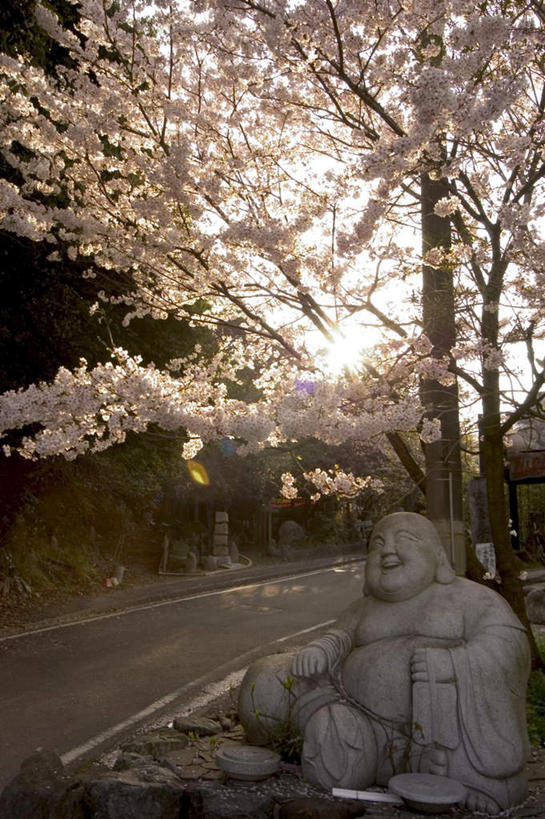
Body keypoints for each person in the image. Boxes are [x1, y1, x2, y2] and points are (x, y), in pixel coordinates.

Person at [238, 512, 530, 814]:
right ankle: (362, 753)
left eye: (404, 540)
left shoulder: (469, 599)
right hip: (359, 713)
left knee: (451, 712)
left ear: (440, 559)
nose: (388, 550)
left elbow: (509, 645)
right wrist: (320, 650)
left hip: (438, 723)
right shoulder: (363, 608)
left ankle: (465, 776)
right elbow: (338, 636)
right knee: (270, 684)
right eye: (378, 544)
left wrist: (451, 664)